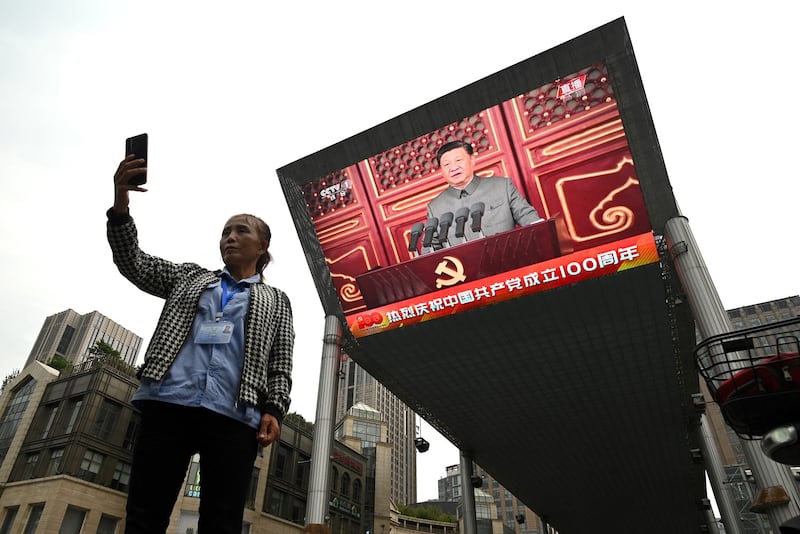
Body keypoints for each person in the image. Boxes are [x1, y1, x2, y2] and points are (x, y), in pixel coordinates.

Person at [107, 155, 295, 533]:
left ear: (263, 245)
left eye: (241, 230)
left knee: (221, 522)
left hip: (235, 415)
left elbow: (281, 362)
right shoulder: (189, 277)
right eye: (225, 232)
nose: (229, 237)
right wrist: (121, 206)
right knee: (144, 516)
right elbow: (133, 262)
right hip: (168, 403)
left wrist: (274, 409)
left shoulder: (276, 299)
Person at [426, 140, 542, 247]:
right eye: (447, 164)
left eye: (458, 160)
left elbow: (527, 216)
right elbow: (431, 248)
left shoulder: (502, 186)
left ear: (472, 160)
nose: (454, 167)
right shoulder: (435, 208)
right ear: (441, 171)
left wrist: (540, 230)